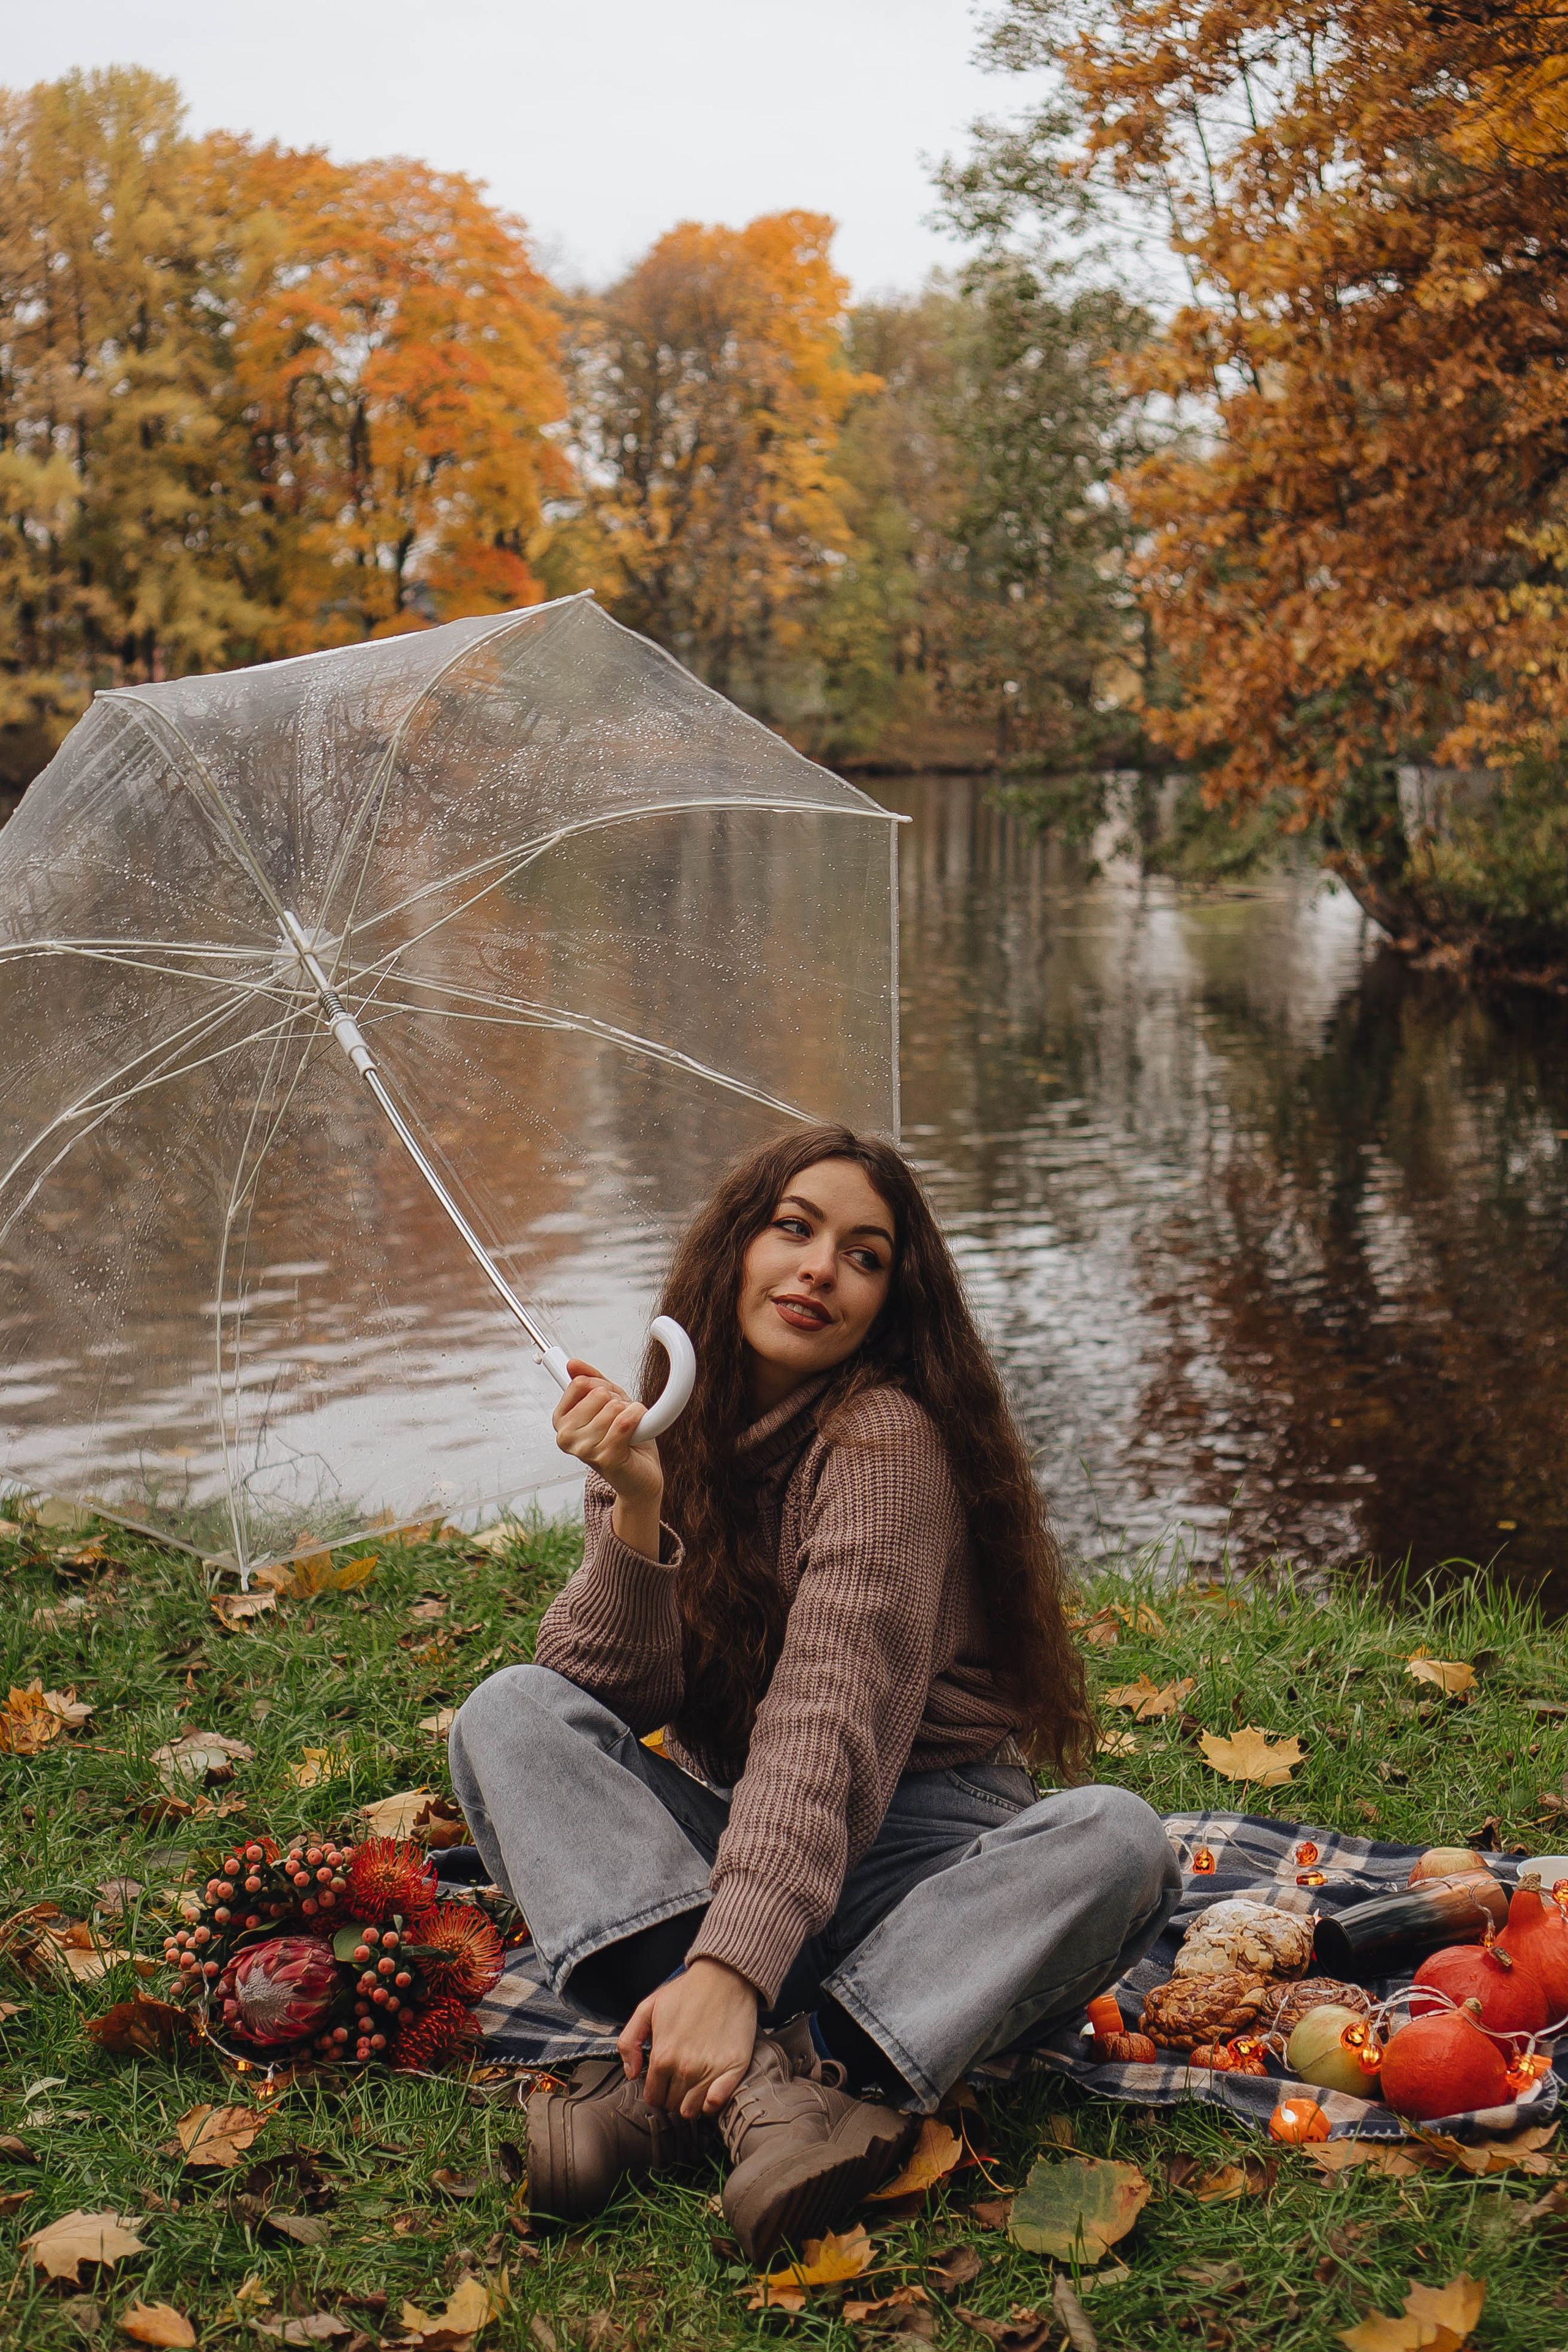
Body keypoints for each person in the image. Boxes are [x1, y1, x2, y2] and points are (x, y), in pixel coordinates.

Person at [448, 1126, 1179, 2263]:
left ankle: (801, 2069)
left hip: (920, 1865)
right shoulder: (671, 1431)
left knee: (1118, 1840)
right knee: (510, 1712)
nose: (819, 1269)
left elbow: (825, 1722)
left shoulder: (886, 1442)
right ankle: (729, 2079)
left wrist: (730, 1968)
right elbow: (600, 1690)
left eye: (864, 1254)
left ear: (891, 1303)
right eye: (794, 1228)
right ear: (734, 1248)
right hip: (745, 1843)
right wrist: (636, 1508)